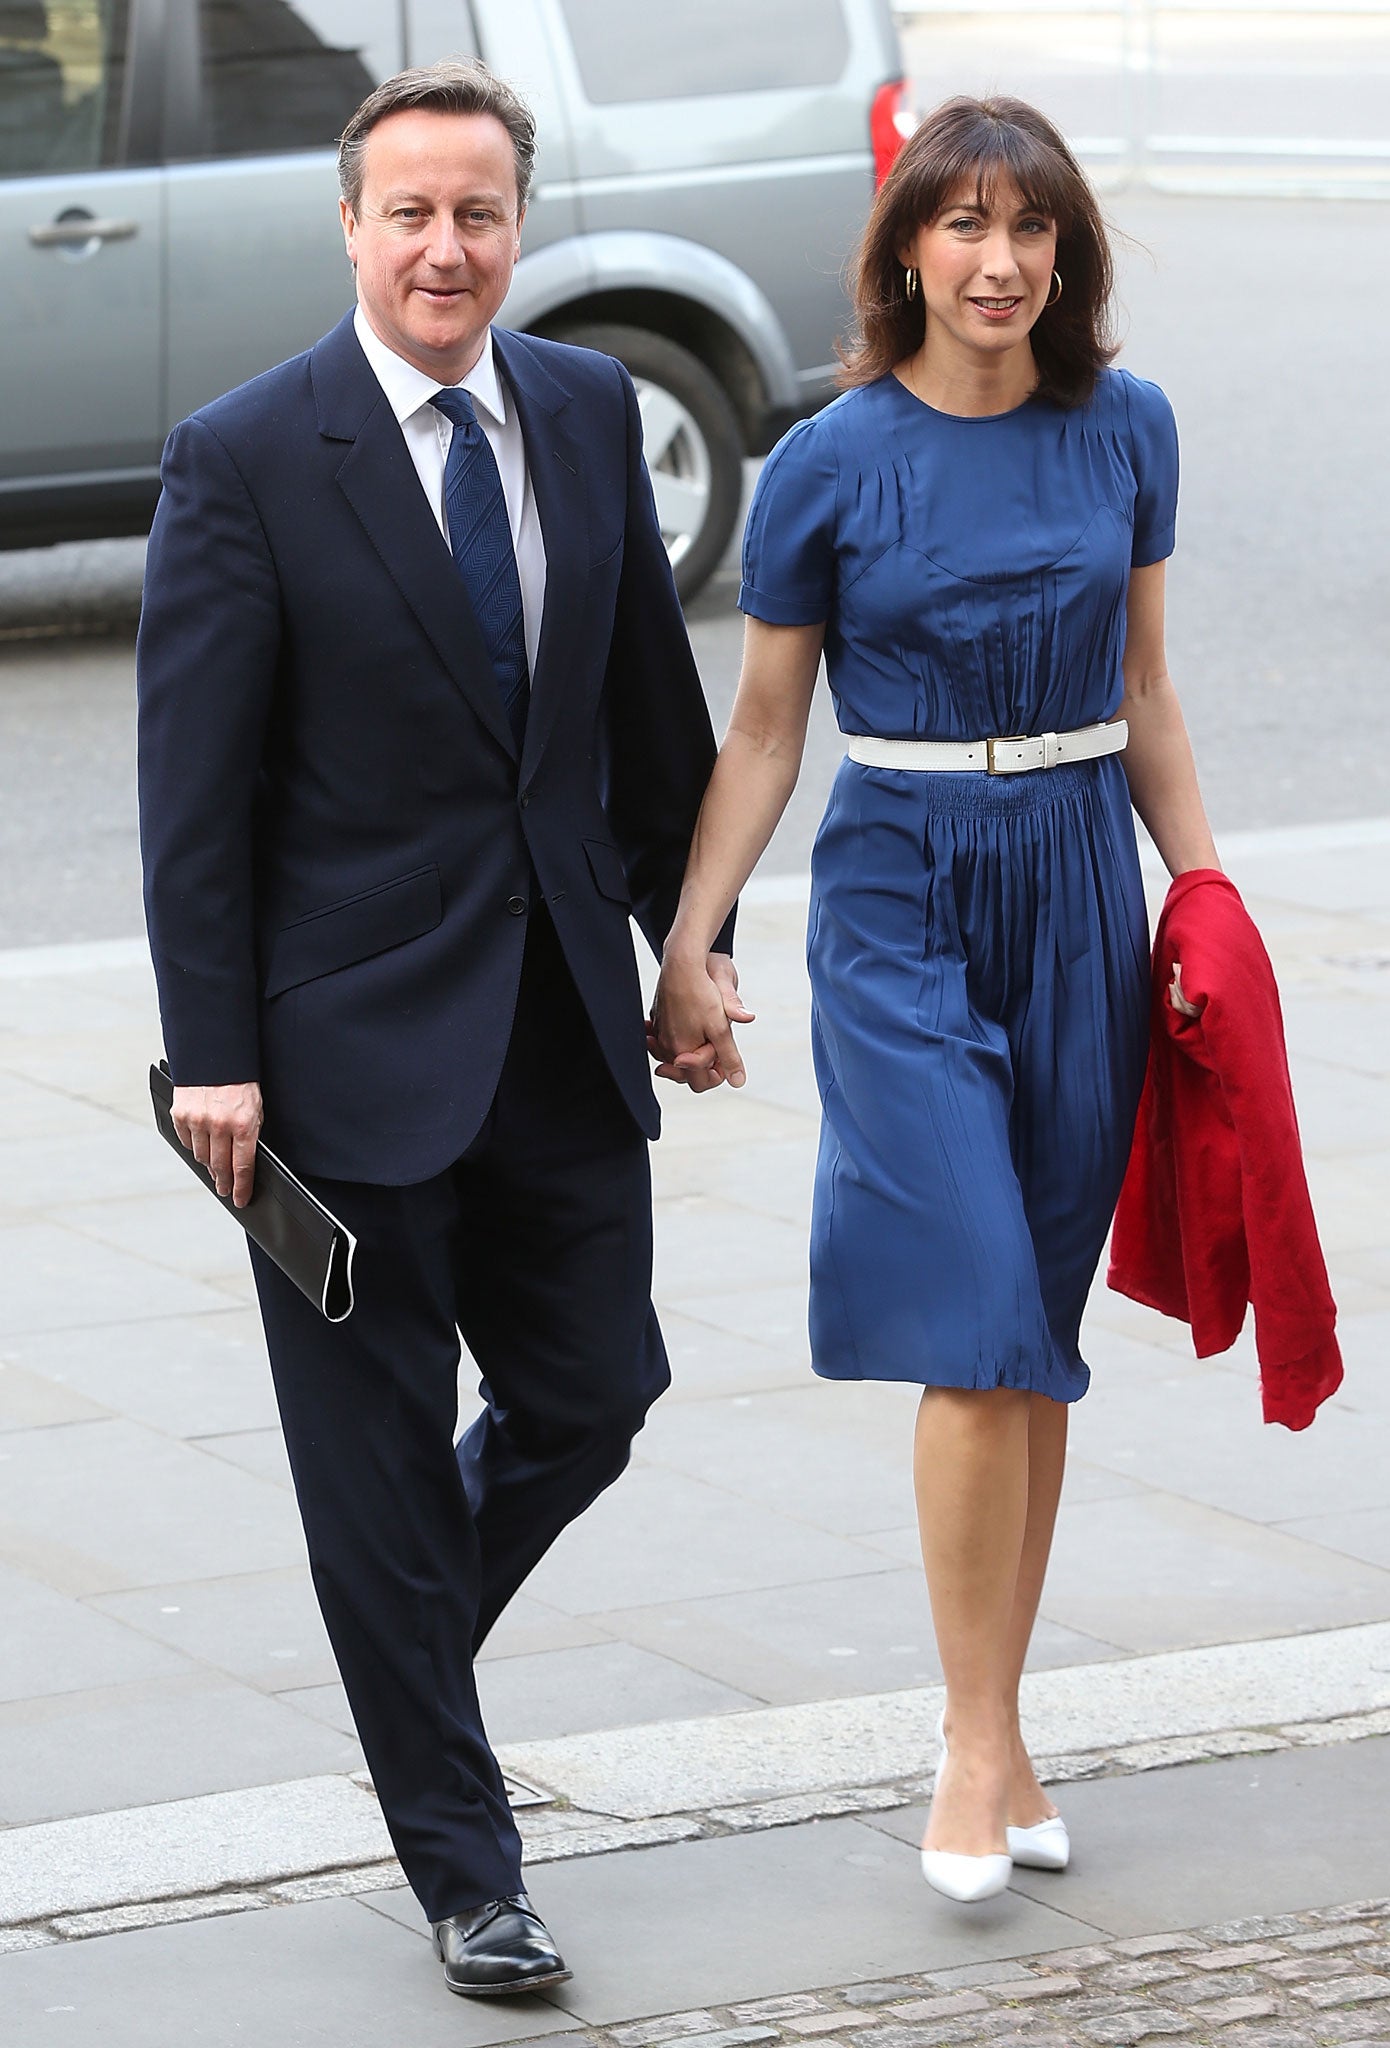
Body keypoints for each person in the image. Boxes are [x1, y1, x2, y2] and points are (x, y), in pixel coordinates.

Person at [137, 59, 735, 1996]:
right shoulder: (244, 453)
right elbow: (191, 800)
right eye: (408, 211)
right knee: (375, 1472)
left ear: (516, 225)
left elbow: (648, 727)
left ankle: (399, 1673)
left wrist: (686, 943)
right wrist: (208, 1052)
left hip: (559, 1025)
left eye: (478, 211)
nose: (444, 246)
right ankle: (469, 1871)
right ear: (348, 227)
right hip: (327, 1065)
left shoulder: (577, 411)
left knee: (593, 1396)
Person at [650, 96, 1220, 1904]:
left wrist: (1200, 895)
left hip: (1074, 882)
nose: (998, 262)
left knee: (1029, 1330)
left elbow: (1146, 689)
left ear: (1065, 254)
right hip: (899, 886)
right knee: (970, 1303)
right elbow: (762, 730)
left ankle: (1005, 1720)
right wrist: (690, 937)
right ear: (905, 249)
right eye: (963, 227)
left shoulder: (1125, 425)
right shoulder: (825, 460)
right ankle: (970, 1749)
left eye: (1029, 229)